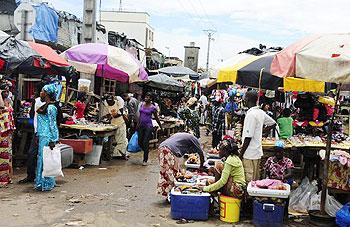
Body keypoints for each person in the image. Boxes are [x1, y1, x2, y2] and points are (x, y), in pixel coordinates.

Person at [240, 90, 276, 182]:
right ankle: (253, 196)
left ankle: (248, 196)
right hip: (257, 152)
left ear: (247, 100)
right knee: (255, 180)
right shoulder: (260, 112)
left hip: (249, 154)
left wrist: (241, 154)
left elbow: (248, 137)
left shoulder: (251, 114)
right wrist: (261, 132)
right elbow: (273, 123)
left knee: (249, 181)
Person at [19, 82, 46, 184]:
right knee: (42, 155)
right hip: (43, 132)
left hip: (39, 132)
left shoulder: (37, 101)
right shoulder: (52, 103)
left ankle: (32, 176)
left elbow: (31, 115)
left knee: (32, 154)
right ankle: (40, 176)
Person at [35, 84, 60, 191]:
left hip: (47, 136)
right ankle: (41, 182)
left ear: (47, 93)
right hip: (42, 135)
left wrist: (53, 139)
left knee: (46, 160)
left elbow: (53, 124)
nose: (40, 93)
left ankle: (46, 183)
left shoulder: (51, 108)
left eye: (42, 91)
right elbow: (39, 111)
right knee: (42, 159)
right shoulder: (47, 105)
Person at [138, 92, 163, 166]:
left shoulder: (153, 107)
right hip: (141, 126)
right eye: (146, 97)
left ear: (151, 99)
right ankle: (146, 150)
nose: (146, 98)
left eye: (148, 97)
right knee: (140, 142)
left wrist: (160, 127)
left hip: (148, 126)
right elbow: (140, 116)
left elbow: (156, 118)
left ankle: (145, 159)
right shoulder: (142, 104)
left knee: (145, 142)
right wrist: (137, 124)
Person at [0, 87, 15, 186]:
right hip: (2, 133)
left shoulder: (8, 102)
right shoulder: (3, 104)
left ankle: (5, 178)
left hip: (6, 134)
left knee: (6, 157)